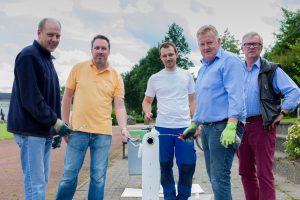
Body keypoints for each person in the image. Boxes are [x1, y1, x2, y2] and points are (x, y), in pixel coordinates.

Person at [55, 34, 131, 200]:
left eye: (103, 48)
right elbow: (66, 97)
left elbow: (119, 105)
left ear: (109, 52)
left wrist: (124, 128)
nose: (100, 51)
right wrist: (64, 123)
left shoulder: (116, 76)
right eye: (97, 48)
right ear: (91, 50)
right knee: (69, 176)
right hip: (77, 132)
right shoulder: (78, 69)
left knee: (98, 178)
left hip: (102, 134)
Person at [7, 18, 72, 200]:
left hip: (43, 131)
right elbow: (31, 99)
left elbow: (51, 99)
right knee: (34, 184)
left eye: (58, 35)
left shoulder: (46, 58)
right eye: (50, 34)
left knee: (41, 181)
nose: (54, 39)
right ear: (39, 33)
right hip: (30, 131)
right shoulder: (29, 56)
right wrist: (56, 123)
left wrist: (55, 130)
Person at [182, 25, 246, 200]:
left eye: (209, 42)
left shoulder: (230, 61)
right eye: (202, 44)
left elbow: (236, 95)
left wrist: (232, 125)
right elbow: (203, 101)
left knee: (220, 178)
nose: (206, 47)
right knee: (213, 178)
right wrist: (194, 123)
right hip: (208, 128)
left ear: (219, 41)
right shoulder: (203, 68)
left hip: (224, 126)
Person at [237, 32, 300, 200]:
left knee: (264, 173)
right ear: (242, 48)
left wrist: (283, 113)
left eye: (255, 44)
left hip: (262, 125)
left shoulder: (271, 69)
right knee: (245, 172)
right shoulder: (236, 70)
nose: (251, 47)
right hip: (240, 126)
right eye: (248, 44)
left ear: (261, 47)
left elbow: (294, 91)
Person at [142, 42, 196, 200]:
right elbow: (146, 101)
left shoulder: (186, 75)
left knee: (187, 165)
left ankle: (183, 197)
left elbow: (193, 100)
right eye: (164, 55)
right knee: (165, 165)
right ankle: (169, 197)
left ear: (176, 54)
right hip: (163, 130)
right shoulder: (155, 78)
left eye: (170, 54)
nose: (168, 58)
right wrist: (147, 112)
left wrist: (196, 122)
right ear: (161, 58)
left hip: (184, 128)